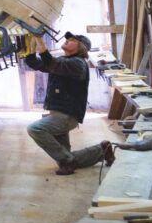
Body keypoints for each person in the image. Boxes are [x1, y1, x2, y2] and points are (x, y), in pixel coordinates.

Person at [24, 32, 115, 175]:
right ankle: (102, 150)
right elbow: (34, 63)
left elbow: (51, 62)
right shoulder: (63, 62)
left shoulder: (77, 64)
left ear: (81, 48)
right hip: (57, 113)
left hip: (67, 115)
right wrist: (32, 43)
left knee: (35, 129)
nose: (67, 40)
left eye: (72, 40)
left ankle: (68, 161)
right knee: (64, 156)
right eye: (67, 39)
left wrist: (40, 41)